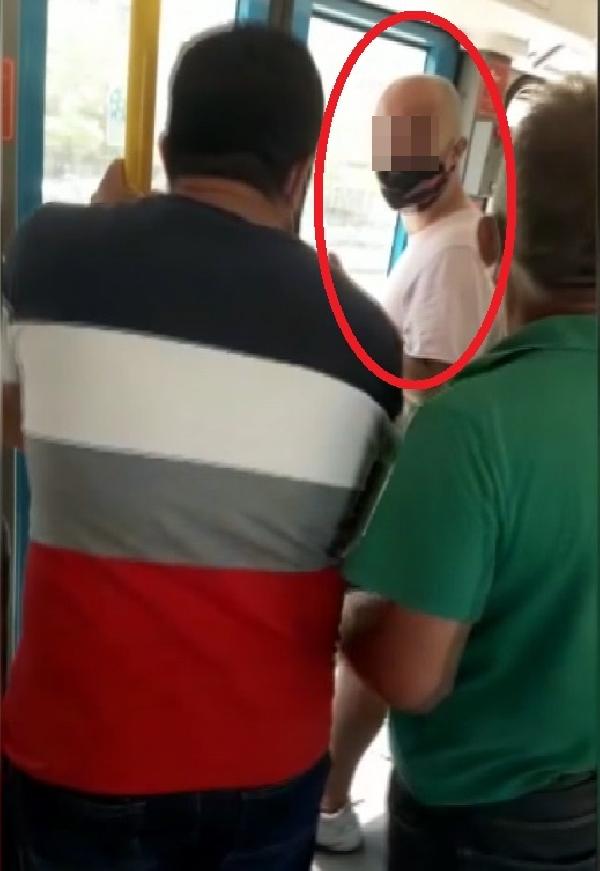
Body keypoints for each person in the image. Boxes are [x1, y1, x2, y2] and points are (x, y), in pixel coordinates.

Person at [1, 24, 402, 870]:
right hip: (266, 758)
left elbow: (18, 421)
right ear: (299, 175)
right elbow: (353, 542)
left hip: (82, 745)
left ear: (166, 148)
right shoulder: (368, 341)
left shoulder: (48, 255)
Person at [339, 74, 596, 869]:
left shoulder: (474, 422)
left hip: (476, 822)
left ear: (493, 240)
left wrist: (345, 612)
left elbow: (411, 676)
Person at [318, 73, 504, 853]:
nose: (395, 160)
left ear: (456, 152)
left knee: (373, 653)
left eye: (413, 143)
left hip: (405, 496)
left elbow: (429, 392)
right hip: (393, 491)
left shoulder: (455, 252)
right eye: (386, 141)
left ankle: (327, 801)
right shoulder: (437, 240)